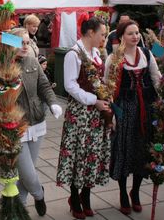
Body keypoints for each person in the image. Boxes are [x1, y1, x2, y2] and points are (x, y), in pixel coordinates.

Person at [56, 16, 111, 219]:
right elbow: (70, 85)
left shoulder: (96, 52)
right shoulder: (74, 54)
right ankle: (74, 196)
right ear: (90, 32)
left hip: (96, 113)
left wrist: (105, 99)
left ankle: (86, 196)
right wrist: (93, 100)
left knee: (92, 154)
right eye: (102, 34)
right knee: (78, 153)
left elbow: (100, 81)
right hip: (80, 114)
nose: (104, 37)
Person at [104, 19, 161, 215]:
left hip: (146, 107)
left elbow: (156, 77)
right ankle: (122, 192)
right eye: (130, 33)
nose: (135, 36)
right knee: (123, 149)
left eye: (137, 33)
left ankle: (135, 191)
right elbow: (107, 88)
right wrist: (112, 116)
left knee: (141, 149)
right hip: (124, 109)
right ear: (121, 37)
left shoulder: (146, 53)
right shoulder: (113, 58)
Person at [8, 28, 62, 216]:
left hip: (37, 122)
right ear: (10, 43)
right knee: (26, 172)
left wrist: (53, 103)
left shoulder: (32, 61)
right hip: (15, 125)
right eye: (20, 42)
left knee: (26, 172)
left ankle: (20, 208)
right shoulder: (2, 65)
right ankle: (39, 194)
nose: (25, 46)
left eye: (27, 42)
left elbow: (44, 85)